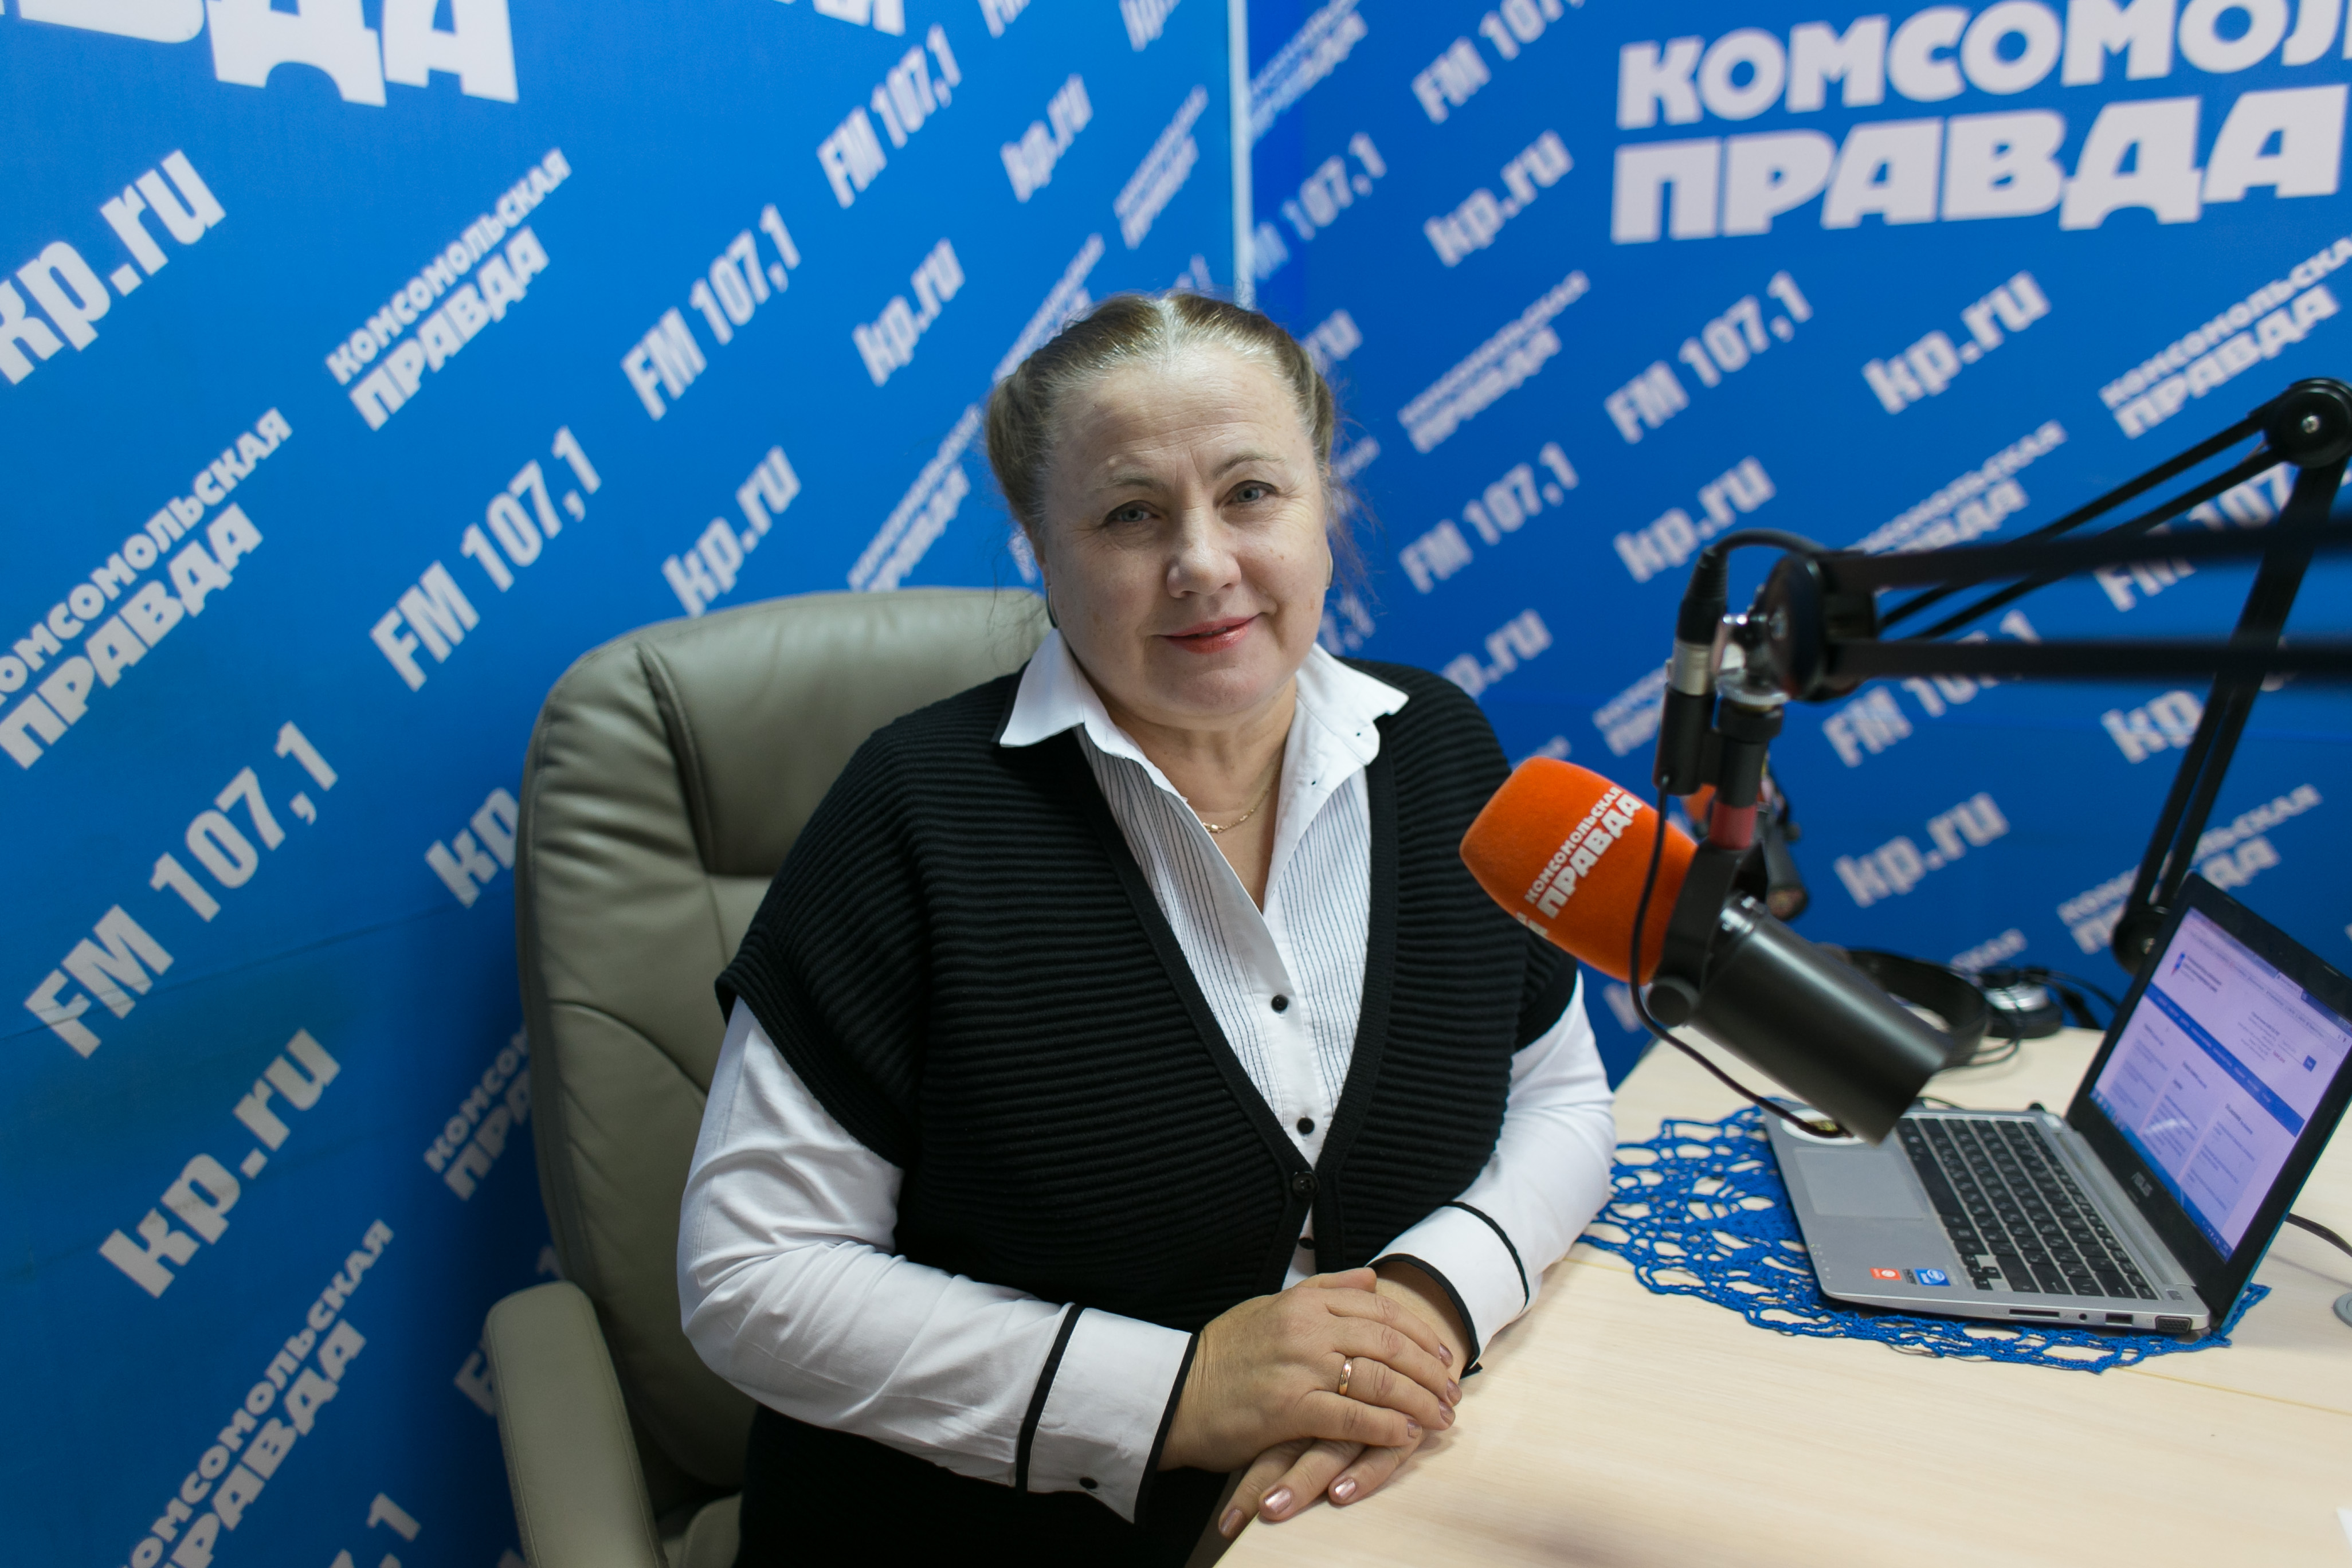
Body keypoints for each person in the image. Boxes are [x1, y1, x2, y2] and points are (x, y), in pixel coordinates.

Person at [679, 292, 1615, 1565]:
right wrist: (1175, 1391)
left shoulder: (1442, 752)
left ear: (1326, 503)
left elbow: (1559, 1097)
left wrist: (1433, 1300)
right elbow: (754, 1277)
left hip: (1386, 1507)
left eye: (1251, 494)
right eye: (1130, 514)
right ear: (1039, 547)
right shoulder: (913, 813)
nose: (1204, 563)